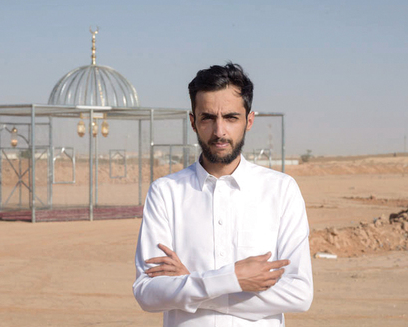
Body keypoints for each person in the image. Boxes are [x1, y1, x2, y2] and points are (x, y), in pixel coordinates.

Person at [132, 63, 313, 326]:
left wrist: (192, 284)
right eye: (208, 118)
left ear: (249, 121)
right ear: (193, 122)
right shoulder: (166, 192)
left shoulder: (281, 190)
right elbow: (148, 293)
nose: (219, 132)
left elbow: (299, 294)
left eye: (230, 117)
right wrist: (234, 279)